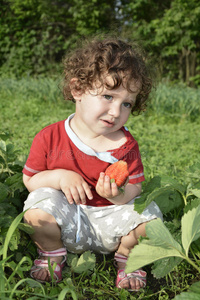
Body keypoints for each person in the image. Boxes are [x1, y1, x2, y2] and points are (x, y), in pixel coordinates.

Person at [22, 36, 163, 292]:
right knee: (36, 209)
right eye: (108, 96)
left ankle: (128, 257)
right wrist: (59, 177)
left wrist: (118, 195)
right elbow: (30, 181)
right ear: (77, 90)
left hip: (110, 220)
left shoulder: (126, 146)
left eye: (126, 103)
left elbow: (136, 189)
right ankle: (52, 252)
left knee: (151, 219)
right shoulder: (50, 137)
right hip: (66, 219)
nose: (115, 111)